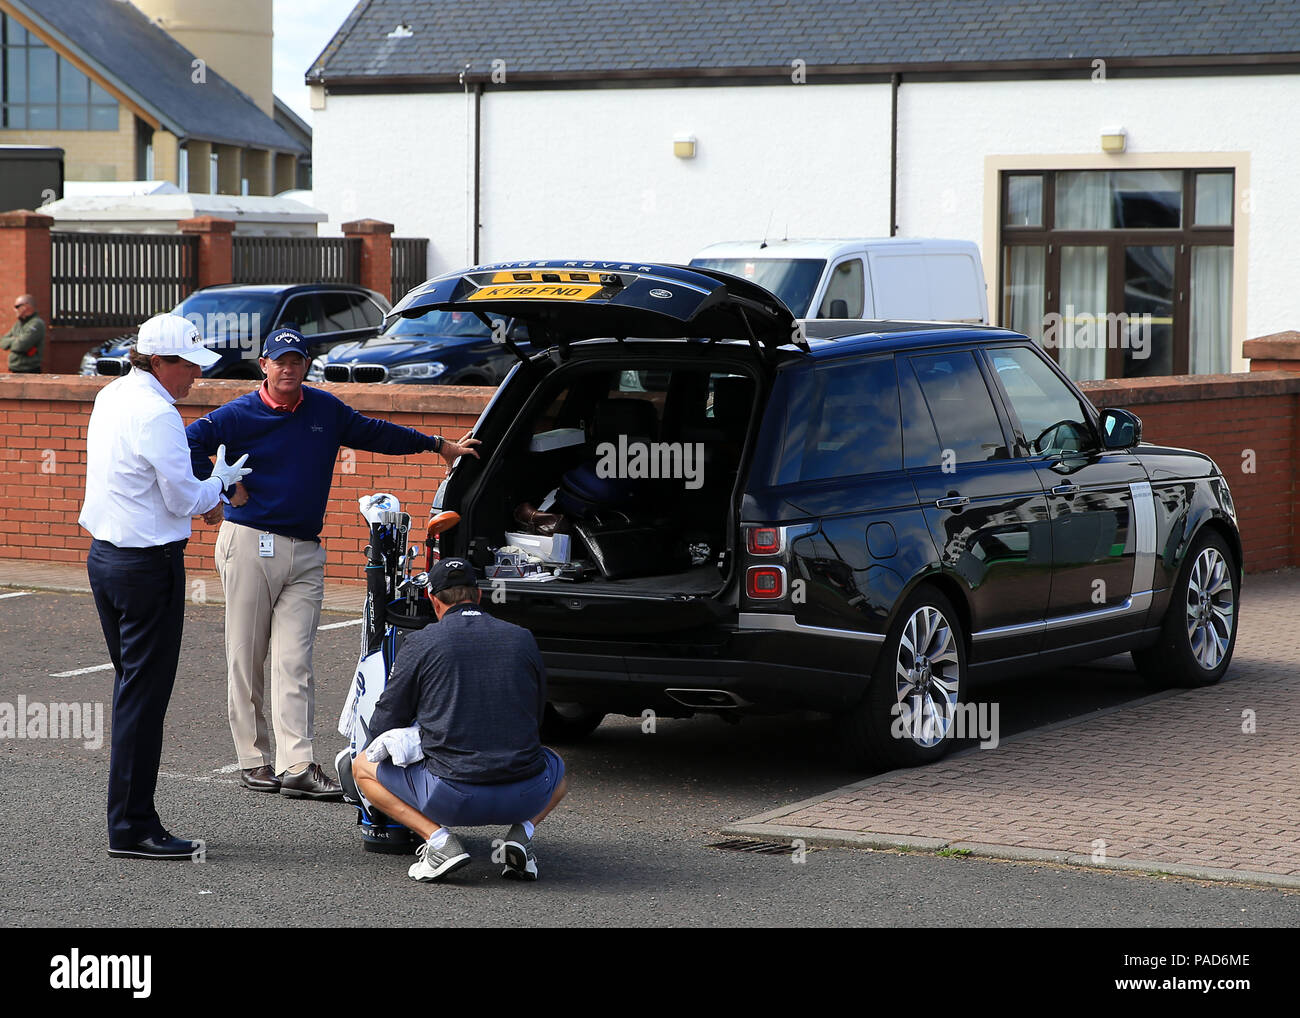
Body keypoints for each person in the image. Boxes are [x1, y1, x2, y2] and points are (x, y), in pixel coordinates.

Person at [186, 328, 480, 800]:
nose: (288, 368)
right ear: (263, 364)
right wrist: (225, 489)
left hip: (305, 549)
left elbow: (376, 432)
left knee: (295, 660)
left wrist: (438, 445)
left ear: (306, 365)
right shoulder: (236, 415)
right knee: (247, 656)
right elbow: (188, 444)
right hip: (249, 542)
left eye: (296, 360)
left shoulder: (324, 409)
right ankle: (253, 760)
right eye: (279, 360)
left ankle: (297, 764)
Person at [80, 314, 252, 859]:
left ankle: (131, 819)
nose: (194, 377)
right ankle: (133, 827)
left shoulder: (113, 395)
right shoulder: (158, 412)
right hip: (147, 566)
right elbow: (185, 500)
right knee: (143, 698)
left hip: (106, 558)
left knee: (132, 691)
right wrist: (220, 482)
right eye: (187, 366)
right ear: (158, 362)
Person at [351, 558, 568, 882]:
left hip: (451, 799)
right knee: (559, 772)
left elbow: (391, 713)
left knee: (361, 767)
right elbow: (535, 714)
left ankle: (440, 843)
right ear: (478, 596)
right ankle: (521, 835)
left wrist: (373, 749)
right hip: (524, 794)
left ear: (435, 602)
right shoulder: (522, 638)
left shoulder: (422, 641)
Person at [1, 293, 46, 373]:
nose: (15, 310)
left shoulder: (36, 324)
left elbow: (21, 345)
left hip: (29, 370)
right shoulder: (18, 324)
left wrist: (13, 341)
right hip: (15, 369)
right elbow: (2, 341)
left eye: (17, 307)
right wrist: (15, 340)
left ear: (26, 306)